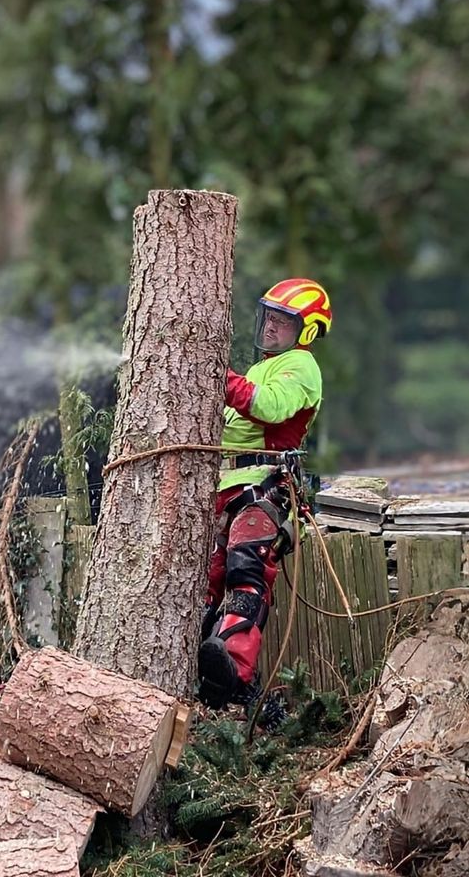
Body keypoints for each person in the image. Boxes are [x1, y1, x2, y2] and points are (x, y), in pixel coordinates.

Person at [198, 277, 332, 726]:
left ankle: (233, 673)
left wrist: (219, 376)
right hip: (228, 485)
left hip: (267, 486)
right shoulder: (261, 367)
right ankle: (205, 669)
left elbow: (271, 408)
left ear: (306, 331)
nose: (271, 328)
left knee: (246, 569)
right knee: (208, 581)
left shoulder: (301, 367)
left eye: (283, 321)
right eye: (269, 318)